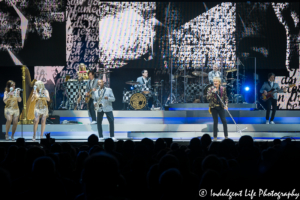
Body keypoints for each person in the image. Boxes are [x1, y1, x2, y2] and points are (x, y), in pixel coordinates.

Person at [206, 77, 229, 141]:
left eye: (216, 81)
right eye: (214, 81)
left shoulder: (223, 89)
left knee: (224, 121)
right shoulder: (210, 89)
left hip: (221, 107)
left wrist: (226, 105)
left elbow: (226, 98)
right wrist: (213, 92)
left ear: (219, 82)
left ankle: (226, 136)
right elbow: (207, 98)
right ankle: (215, 137)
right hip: (214, 107)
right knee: (215, 122)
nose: (215, 82)